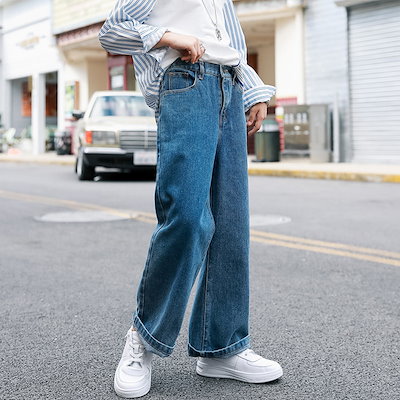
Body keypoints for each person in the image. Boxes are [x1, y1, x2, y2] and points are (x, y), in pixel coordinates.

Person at [99, 0, 283, 397]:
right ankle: (143, 339)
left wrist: (251, 89)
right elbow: (112, 29)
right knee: (185, 217)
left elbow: (228, 41)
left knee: (230, 223)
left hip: (228, 90)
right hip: (185, 82)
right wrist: (168, 36)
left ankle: (221, 347)